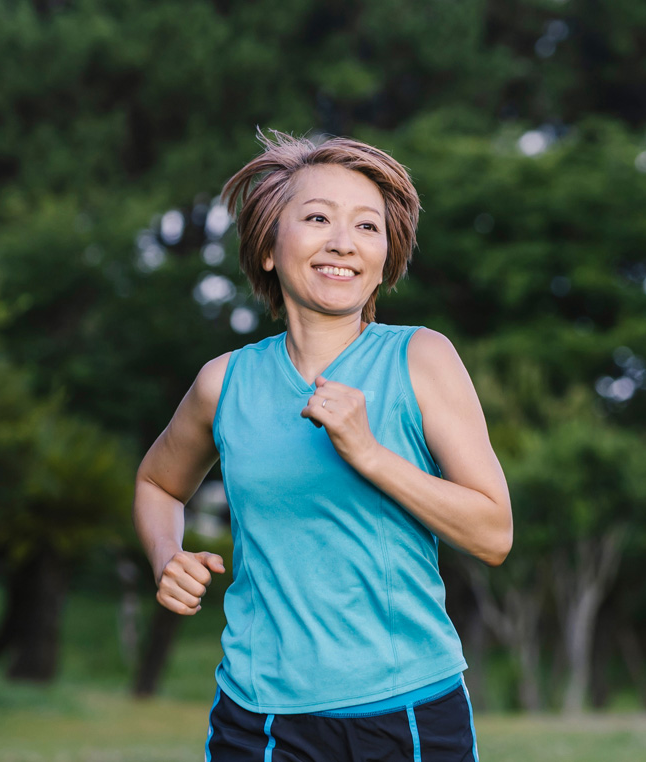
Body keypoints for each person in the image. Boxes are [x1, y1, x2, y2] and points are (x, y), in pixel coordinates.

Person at [133, 131, 512, 762]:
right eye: (317, 218)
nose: (343, 242)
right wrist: (166, 554)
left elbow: (493, 533)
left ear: (386, 257)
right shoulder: (223, 383)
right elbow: (158, 484)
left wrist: (369, 453)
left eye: (367, 227)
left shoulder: (421, 358)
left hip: (407, 713)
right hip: (258, 717)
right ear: (268, 249)